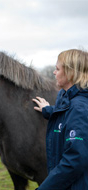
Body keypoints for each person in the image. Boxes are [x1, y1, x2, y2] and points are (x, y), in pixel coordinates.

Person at [32, 49, 88, 190]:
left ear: (70, 73)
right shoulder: (67, 98)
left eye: (57, 69)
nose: (54, 72)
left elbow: (74, 160)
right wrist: (48, 110)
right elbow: (66, 114)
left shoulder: (79, 108)